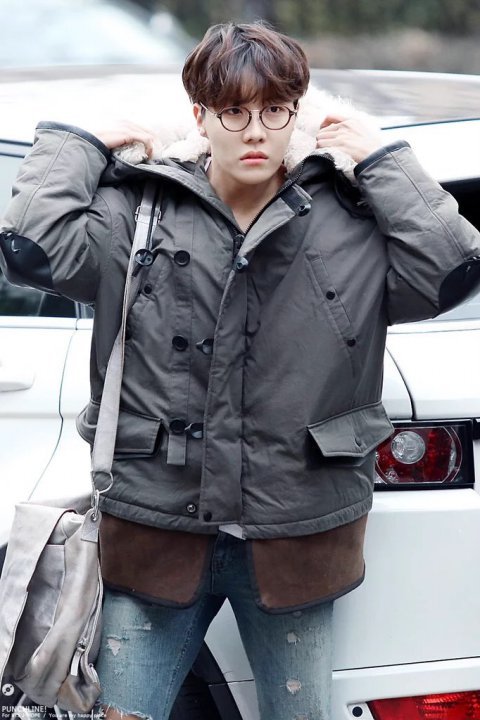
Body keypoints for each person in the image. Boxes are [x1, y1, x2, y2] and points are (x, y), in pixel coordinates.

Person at [1, 21, 480, 720]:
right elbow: (30, 246)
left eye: (274, 110)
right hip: (155, 532)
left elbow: (452, 268)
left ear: (297, 114)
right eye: (233, 111)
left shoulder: (350, 222)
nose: (255, 131)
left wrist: (384, 159)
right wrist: (80, 142)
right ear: (199, 116)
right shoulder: (139, 211)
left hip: (297, 541)